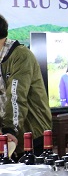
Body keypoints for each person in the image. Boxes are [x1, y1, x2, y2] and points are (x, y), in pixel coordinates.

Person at [0, 13, 52, 156]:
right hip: (9, 135)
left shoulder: (21, 55)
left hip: (32, 131)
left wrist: (9, 129)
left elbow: (16, 94)